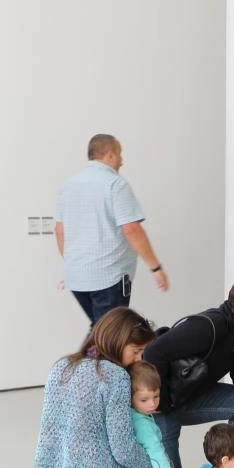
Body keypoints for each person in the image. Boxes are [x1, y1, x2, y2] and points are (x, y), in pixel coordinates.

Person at [33, 308, 170, 468]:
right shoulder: (115, 376)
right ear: (118, 341)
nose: (139, 359)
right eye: (136, 351)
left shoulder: (61, 366)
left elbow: (48, 434)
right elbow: (123, 448)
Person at [142, 275, 234, 468]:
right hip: (162, 404)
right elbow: (153, 352)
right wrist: (162, 403)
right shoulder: (207, 327)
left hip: (191, 398)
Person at [55, 134, 168, 325]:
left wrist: (74, 263)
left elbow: (59, 230)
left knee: (100, 330)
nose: (122, 160)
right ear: (109, 156)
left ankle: (89, 354)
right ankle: (88, 356)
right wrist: (156, 268)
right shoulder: (115, 184)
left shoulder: (68, 186)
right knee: (109, 335)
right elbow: (132, 229)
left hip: (77, 277)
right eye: (119, 154)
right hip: (108, 276)